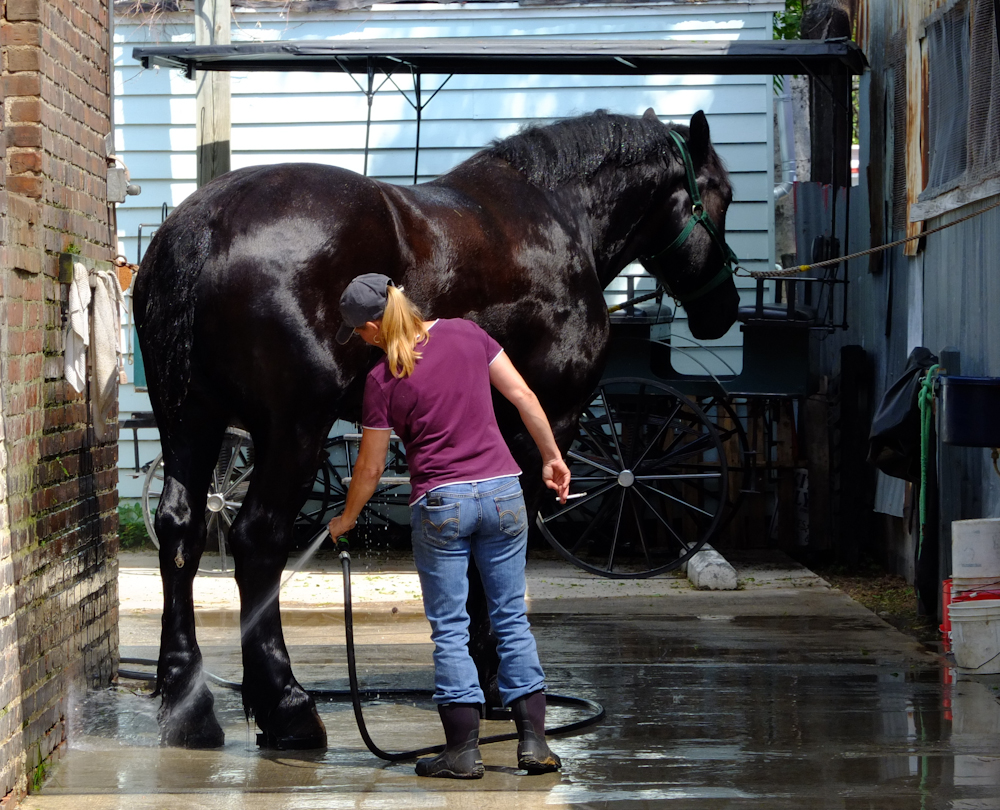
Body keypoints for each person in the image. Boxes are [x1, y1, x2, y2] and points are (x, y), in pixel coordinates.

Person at [327, 273, 570, 779]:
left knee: (452, 629)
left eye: (362, 334)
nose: (364, 342)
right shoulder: (467, 333)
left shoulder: (382, 380)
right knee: (510, 618)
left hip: (442, 503)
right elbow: (522, 396)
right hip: (504, 491)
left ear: (372, 326)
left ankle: (462, 752)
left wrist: (346, 519)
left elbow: (370, 469)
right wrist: (551, 457)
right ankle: (534, 745)